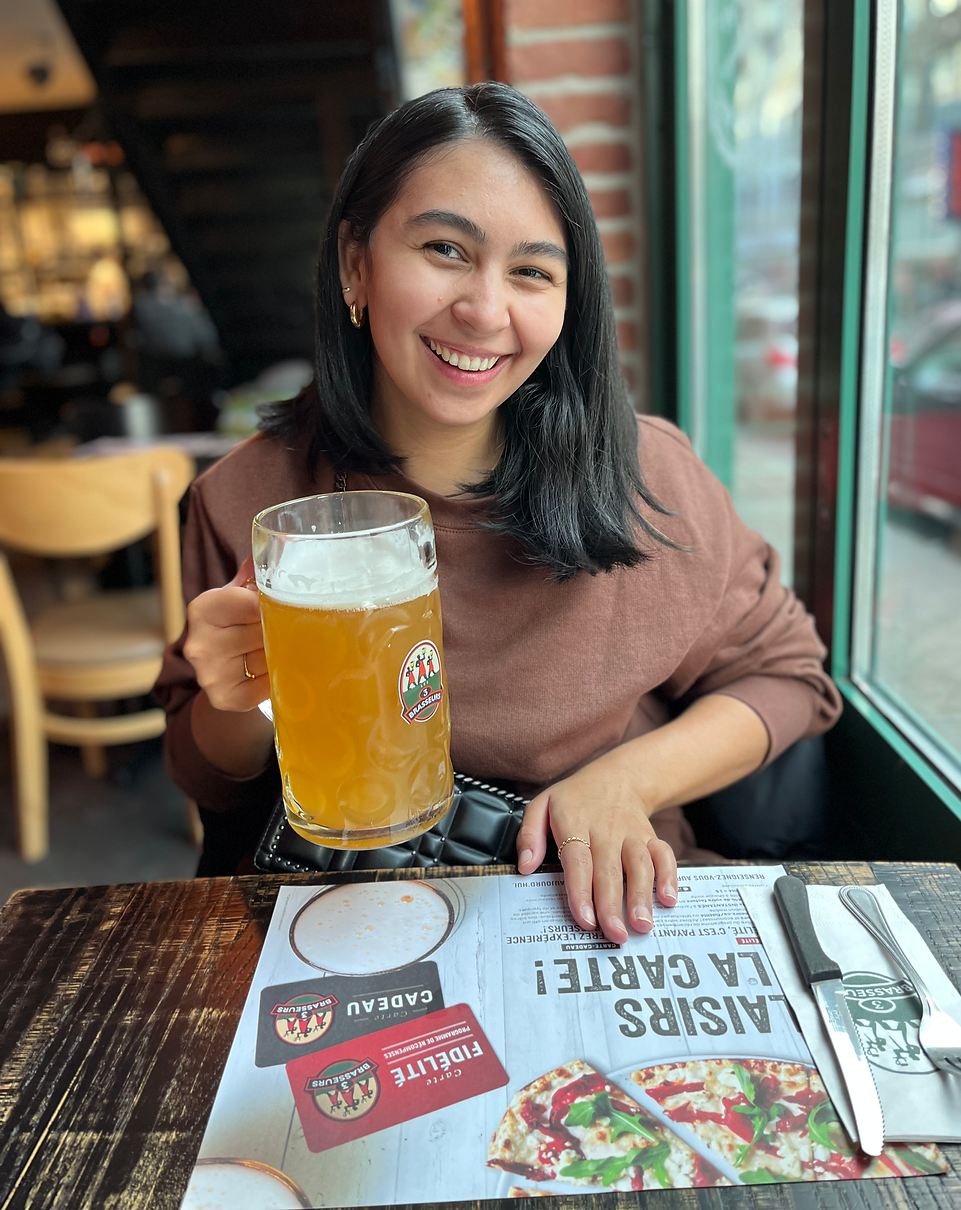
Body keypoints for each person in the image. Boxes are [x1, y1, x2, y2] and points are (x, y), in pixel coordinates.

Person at [154, 83, 841, 944]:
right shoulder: (250, 498)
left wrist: (628, 782)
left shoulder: (646, 474)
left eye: (531, 271)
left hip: (606, 923)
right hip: (356, 927)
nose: (484, 310)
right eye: (445, 248)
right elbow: (209, 778)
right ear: (354, 263)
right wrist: (236, 696)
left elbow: (788, 675)